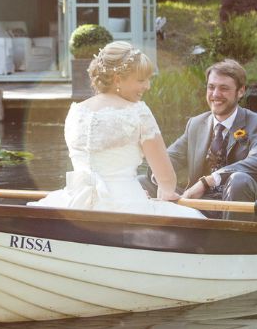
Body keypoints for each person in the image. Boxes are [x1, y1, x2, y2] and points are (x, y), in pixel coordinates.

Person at [29, 41, 204, 218]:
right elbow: (166, 178)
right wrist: (166, 194)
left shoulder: (76, 111)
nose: (148, 86)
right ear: (117, 79)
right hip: (126, 205)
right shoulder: (138, 112)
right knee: (194, 217)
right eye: (141, 80)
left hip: (76, 202)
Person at [153, 58, 257, 221]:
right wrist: (161, 180)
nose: (216, 94)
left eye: (224, 88)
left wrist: (208, 181)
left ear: (240, 92)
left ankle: (231, 242)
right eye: (211, 87)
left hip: (249, 213)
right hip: (203, 207)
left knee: (239, 179)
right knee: (144, 180)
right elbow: (168, 159)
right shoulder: (196, 124)